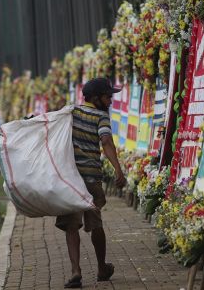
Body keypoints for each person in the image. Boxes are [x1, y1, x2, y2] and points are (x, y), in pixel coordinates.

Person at [56, 77, 127, 289]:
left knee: (71, 226)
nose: (111, 101)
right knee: (96, 224)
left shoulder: (71, 112)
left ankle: (76, 271)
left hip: (70, 179)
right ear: (95, 98)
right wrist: (118, 168)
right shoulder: (101, 117)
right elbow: (105, 142)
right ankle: (101, 267)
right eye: (108, 96)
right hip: (92, 179)